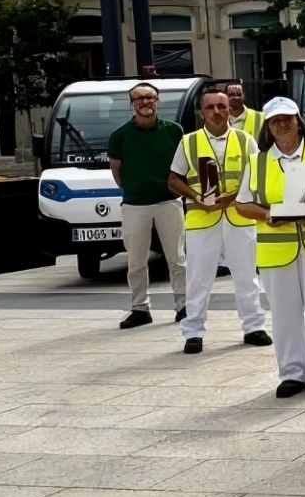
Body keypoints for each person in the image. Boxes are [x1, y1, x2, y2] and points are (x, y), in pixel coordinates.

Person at [233, 98, 305, 398]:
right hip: (276, 247)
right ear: (268, 127)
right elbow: (242, 204)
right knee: (284, 313)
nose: (282, 124)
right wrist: (266, 214)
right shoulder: (257, 162)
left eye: (287, 118)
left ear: (298, 120)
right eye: (275, 120)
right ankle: (292, 372)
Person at [166, 87, 269, 354]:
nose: (217, 112)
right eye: (210, 107)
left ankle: (254, 327)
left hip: (239, 217)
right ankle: (194, 332)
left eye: (221, 107)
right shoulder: (189, 142)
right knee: (198, 279)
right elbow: (173, 180)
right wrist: (197, 197)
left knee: (247, 275)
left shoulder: (246, 140)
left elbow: (258, 176)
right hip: (203, 219)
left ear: (229, 109)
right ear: (201, 112)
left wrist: (233, 195)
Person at [109, 82, 188, 330]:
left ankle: (184, 307)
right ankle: (140, 308)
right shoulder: (119, 136)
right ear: (131, 103)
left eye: (150, 97)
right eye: (139, 98)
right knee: (136, 260)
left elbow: (182, 167)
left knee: (177, 258)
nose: (145, 102)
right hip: (134, 204)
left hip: (169, 202)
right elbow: (117, 173)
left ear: (157, 100)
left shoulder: (174, 131)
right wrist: (136, 187)